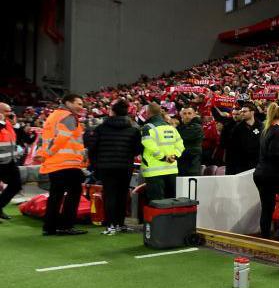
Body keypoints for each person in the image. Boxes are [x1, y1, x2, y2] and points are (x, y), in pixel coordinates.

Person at [86, 101, 141, 235]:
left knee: (109, 195)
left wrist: (96, 165)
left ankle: (110, 225)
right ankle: (120, 224)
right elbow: (137, 150)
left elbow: (92, 148)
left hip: (106, 167)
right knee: (122, 195)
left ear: (113, 112)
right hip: (125, 166)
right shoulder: (133, 129)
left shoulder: (100, 128)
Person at [36, 94, 88, 235]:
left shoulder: (53, 116)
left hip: (55, 163)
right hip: (67, 163)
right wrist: (48, 154)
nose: (81, 107)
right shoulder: (68, 117)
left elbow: (47, 139)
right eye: (78, 103)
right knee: (74, 192)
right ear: (68, 103)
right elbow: (61, 139)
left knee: (56, 195)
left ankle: (49, 227)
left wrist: (44, 155)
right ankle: (66, 225)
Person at [253, 103, 279, 239]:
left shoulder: (266, 130)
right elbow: (273, 154)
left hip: (260, 173)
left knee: (267, 207)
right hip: (271, 174)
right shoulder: (277, 132)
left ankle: (266, 237)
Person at [140, 102, 184, 201]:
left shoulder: (147, 128)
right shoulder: (171, 128)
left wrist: (163, 157)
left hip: (153, 172)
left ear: (148, 113)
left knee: (156, 203)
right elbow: (180, 145)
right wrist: (174, 156)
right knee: (171, 202)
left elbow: (149, 146)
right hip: (171, 169)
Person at [224, 102, 261, 175]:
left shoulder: (261, 126)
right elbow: (231, 149)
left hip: (257, 165)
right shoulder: (237, 128)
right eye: (242, 112)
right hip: (241, 166)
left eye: (245, 111)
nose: (242, 113)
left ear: (252, 112)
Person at [0, 102, 22, 219]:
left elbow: (19, 137)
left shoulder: (7, 123)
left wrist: (14, 124)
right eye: (6, 111)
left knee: (16, 185)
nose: (10, 113)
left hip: (9, 161)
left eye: (10, 111)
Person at [176, 106, 203, 177]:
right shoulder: (180, 127)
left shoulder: (197, 127)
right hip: (181, 163)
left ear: (194, 115)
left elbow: (182, 136)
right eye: (184, 113)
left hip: (192, 165)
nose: (187, 115)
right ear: (181, 115)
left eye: (189, 113)